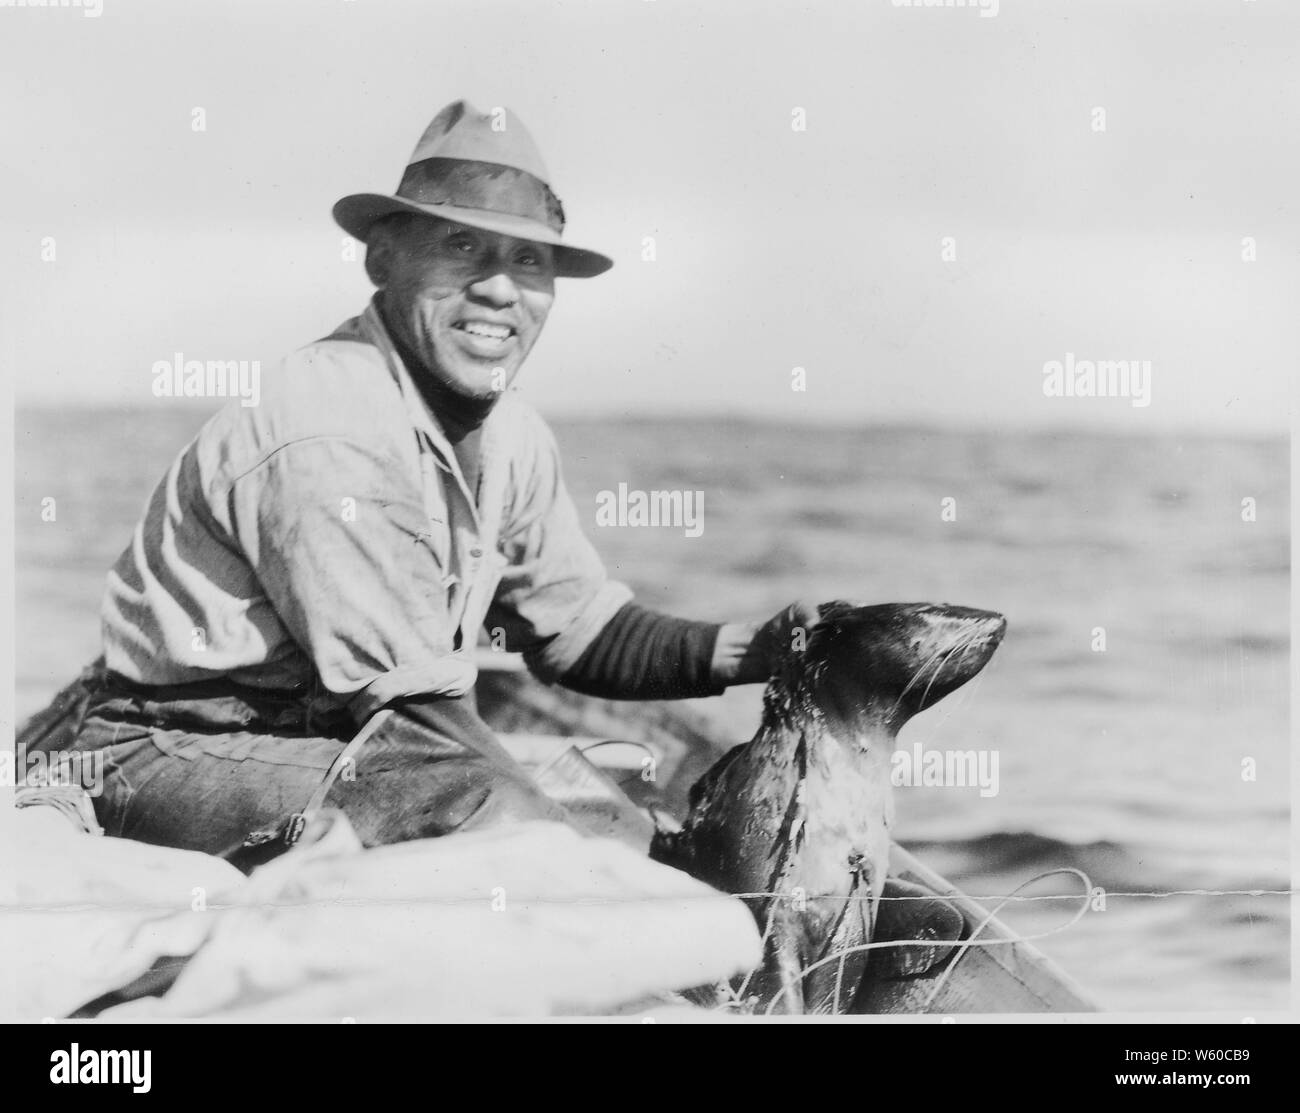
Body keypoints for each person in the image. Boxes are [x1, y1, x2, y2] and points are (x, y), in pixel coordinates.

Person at [55, 100, 816, 868]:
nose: (499, 289)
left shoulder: (514, 435)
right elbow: (425, 726)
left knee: (596, 815)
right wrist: (623, 846)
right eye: (462, 246)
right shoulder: (332, 422)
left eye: (529, 261)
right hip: (169, 749)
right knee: (519, 822)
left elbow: (580, 631)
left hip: (345, 741)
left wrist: (761, 651)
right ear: (382, 259)